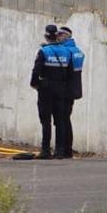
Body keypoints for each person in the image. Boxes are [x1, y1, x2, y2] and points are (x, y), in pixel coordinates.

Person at [28, 23, 73, 160]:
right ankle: (60, 150)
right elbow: (70, 72)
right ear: (57, 36)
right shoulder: (66, 52)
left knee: (46, 121)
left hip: (46, 90)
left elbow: (36, 71)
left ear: (47, 36)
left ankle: (46, 150)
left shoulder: (44, 51)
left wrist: (35, 84)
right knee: (60, 120)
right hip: (61, 90)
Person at [55, 25, 84, 158]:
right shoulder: (77, 51)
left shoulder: (66, 52)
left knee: (63, 120)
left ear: (67, 36)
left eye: (60, 35)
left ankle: (64, 149)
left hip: (65, 90)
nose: (57, 37)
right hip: (73, 90)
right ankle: (67, 149)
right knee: (66, 118)